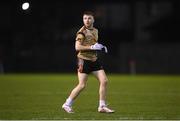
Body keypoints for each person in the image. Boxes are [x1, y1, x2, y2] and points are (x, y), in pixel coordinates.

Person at [62, 11, 114, 113]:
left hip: (94, 59)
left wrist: (100, 47)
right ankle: (67, 104)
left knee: (104, 81)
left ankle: (102, 106)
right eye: (85, 18)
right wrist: (92, 47)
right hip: (83, 60)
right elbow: (77, 47)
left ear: (93, 20)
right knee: (82, 85)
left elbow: (93, 43)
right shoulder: (82, 32)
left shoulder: (95, 30)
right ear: (83, 20)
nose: (87, 20)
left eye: (89, 18)